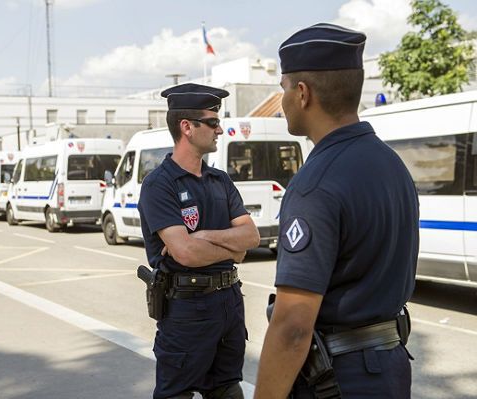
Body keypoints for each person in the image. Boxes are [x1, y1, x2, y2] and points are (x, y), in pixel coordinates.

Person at [254, 23, 419, 399]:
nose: (282, 102)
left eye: (282, 90)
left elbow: (293, 326)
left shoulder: (316, 184)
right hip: (389, 368)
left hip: (336, 381)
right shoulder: (390, 164)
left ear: (302, 93)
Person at [138, 83, 261, 399]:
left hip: (229, 304)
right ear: (187, 127)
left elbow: (251, 238)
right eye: (212, 122)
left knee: (227, 389)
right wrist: (227, 246)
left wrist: (205, 236)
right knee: (176, 393)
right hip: (187, 309)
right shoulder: (159, 185)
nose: (220, 129)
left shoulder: (220, 180)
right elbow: (186, 253)